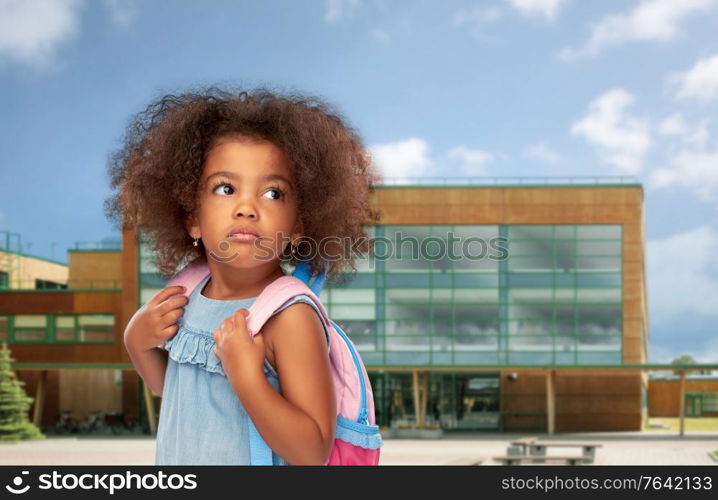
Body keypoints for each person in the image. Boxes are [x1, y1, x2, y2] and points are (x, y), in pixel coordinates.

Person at [104, 87, 381, 465]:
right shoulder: (184, 295)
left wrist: (248, 378)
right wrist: (137, 343)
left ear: (299, 226)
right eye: (225, 188)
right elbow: (179, 394)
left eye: (273, 193)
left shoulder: (289, 316)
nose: (247, 208)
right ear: (192, 219)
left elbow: (311, 450)